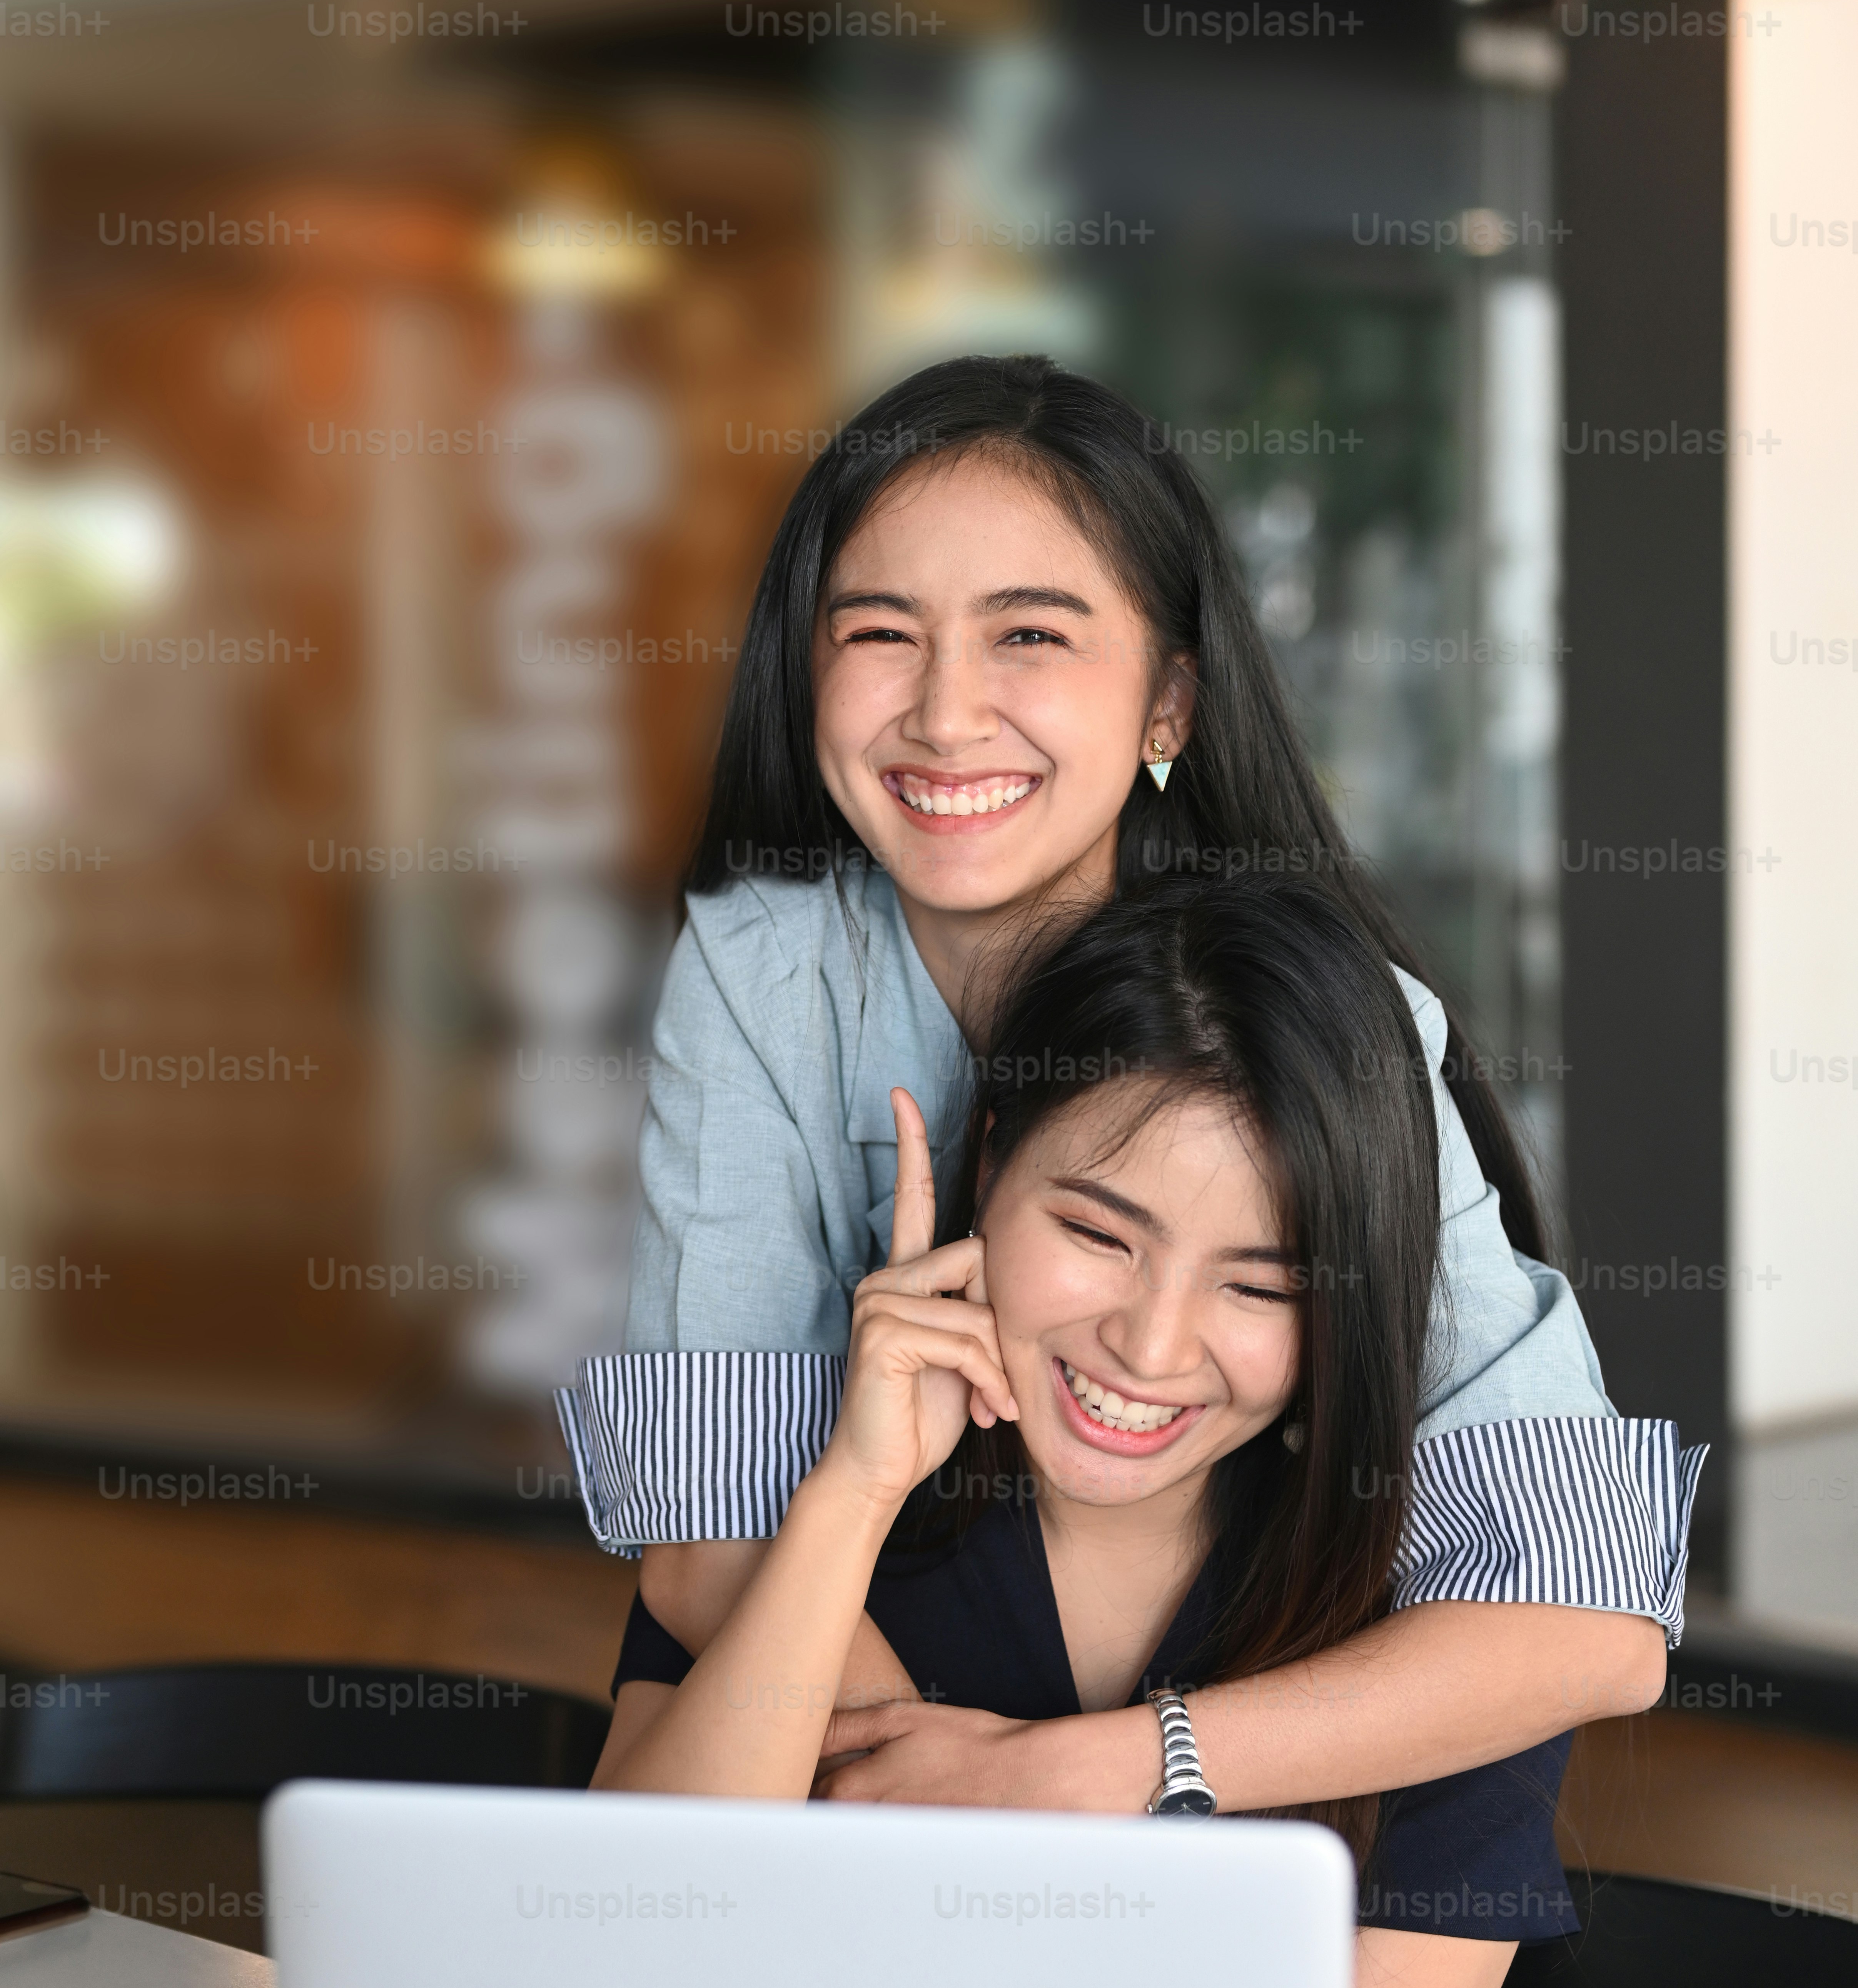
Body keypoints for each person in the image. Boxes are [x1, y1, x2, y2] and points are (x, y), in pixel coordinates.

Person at [559, 352, 1689, 1811]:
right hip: (898, 1657)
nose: (947, 714)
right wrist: (949, 1804)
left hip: (1236, 1695)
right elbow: (712, 1543)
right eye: (881, 632)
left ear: (1169, 704)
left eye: (1031, 634)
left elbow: (1590, 1619)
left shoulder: (1319, 1021)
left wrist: (1085, 1778)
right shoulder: (762, 971)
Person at [594, 881, 1703, 1988]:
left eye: (1261, 1285)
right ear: (988, 1163)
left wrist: (1079, 1798)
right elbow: (622, 1978)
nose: (1151, 1342)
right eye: (1102, 1234)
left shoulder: (1441, 1620)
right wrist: (857, 1492)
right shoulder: (814, 1527)